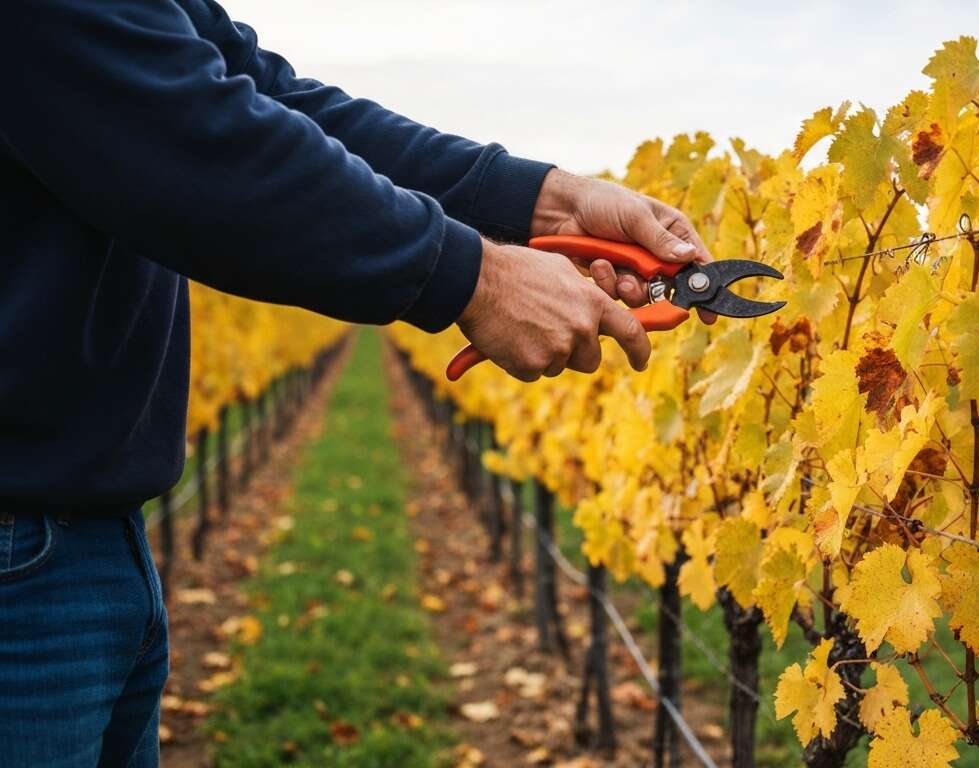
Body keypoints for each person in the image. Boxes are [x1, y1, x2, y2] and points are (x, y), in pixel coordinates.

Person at [0, 1, 713, 765]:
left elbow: (262, 94)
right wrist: (476, 278)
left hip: (84, 546)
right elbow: (194, 139)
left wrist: (545, 199)